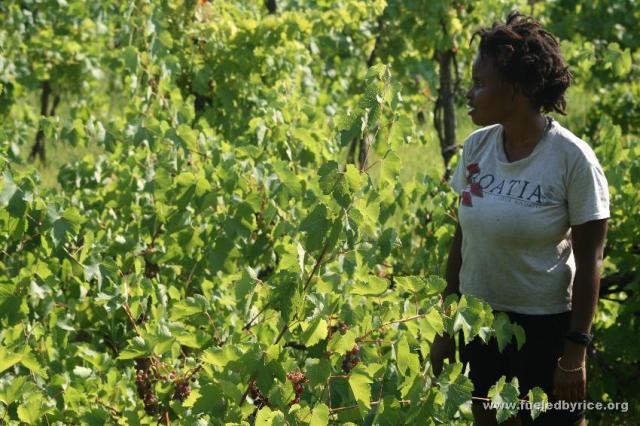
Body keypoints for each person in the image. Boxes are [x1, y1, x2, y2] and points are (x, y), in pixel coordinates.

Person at [430, 10, 610, 426]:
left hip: (544, 331)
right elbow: (463, 242)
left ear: (514, 91)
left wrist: (575, 351)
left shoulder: (571, 160)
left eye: (480, 84)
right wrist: (444, 325)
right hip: (479, 324)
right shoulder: (477, 148)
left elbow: (590, 262)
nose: (470, 94)